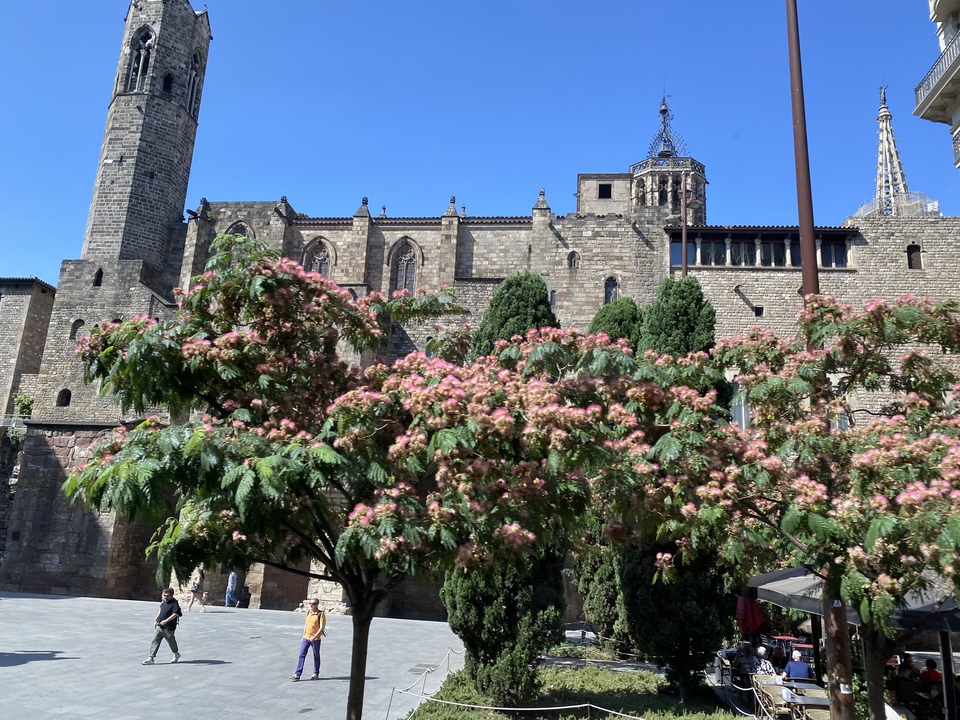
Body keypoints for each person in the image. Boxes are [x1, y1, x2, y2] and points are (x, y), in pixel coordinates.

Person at [142, 588, 182, 665]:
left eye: (167, 596)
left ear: (171, 595)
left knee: (171, 641)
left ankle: (176, 654)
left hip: (168, 627)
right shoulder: (164, 602)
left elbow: (176, 614)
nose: (165, 597)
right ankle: (151, 658)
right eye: (164, 595)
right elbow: (160, 610)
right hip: (160, 626)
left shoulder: (174, 603)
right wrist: (156, 619)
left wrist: (166, 621)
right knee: (155, 641)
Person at [289, 599, 326, 681]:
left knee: (316, 656)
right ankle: (297, 674)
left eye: (313, 604)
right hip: (306, 637)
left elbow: (321, 627)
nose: (311, 605)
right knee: (301, 655)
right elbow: (306, 625)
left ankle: (316, 673)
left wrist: (315, 636)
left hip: (315, 639)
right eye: (310, 604)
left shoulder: (320, 614)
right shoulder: (308, 613)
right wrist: (303, 636)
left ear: (317, 604)